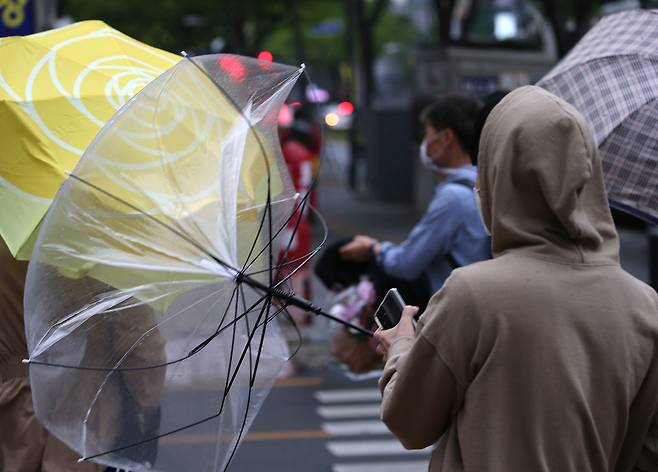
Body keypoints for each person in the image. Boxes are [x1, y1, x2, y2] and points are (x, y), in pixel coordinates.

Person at [374, 86, 658, 471]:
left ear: (497, 173)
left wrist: (400, 347)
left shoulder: (472, 295)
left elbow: (410, 422)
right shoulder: (645, 306)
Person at [339, 93, 490, 310]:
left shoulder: (453, 198)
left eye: (427, 133)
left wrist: (374, 248)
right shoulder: (482, 183)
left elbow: (406, 263)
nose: (424, 143)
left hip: (454, 313)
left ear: (446, 138)